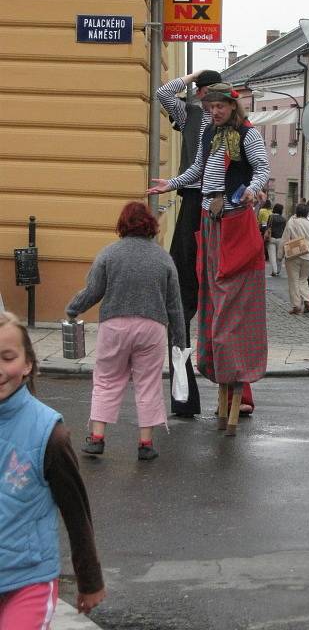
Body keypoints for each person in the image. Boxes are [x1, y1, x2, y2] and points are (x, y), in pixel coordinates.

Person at [146, 83, 270, 434]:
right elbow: (198, 171)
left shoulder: (249, 135)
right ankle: (220, 373)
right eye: (210, 106)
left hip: (232, 216)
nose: (214, 111)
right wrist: (170, 184)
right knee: (211, 293)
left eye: (219, 106)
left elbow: (262, 169)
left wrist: (251, 190)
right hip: (207, 215)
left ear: (233, 106)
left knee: (229, 293)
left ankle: (237, 380)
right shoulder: (207, 133)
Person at [0, 312, 105, 625]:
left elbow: (76, 511)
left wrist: (90, 580)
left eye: (7, 357)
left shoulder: (48, 433)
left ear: (28, 364)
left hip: (29, 580)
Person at [66, 202, 186, 460]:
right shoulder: (163, 258)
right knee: (148, 384)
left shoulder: (109, 254)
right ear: (150, 226)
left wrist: (73, 309)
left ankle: (97, 438)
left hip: (115, 325)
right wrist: (179, 339)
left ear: (122, 224)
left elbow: (93, 291)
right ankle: (145, 444)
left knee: (107, 379)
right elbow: (174, 304)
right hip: (152, 327)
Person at [157, 70, 221, 417]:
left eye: (206, 91)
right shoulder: (190, 114)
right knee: (180, 300)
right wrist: (192, 76)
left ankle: (236, 393)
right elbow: (164, 93)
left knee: (218, 301)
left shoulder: (233, 127)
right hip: (193, 201)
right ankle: (184, 399)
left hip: (217, 205)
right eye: (199, 91)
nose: (201, 96)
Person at [279, 203, 309, 314]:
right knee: (303, 280)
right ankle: (308, 300)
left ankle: (296, 305)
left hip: (293, 255)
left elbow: (284, 239)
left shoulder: (291, 223)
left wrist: (280, 255)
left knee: (293, 281)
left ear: (296, 212)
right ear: (307, 213)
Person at [267, 203, 286, 276]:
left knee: (272, 255)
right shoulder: (283, 219)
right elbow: (284, 229)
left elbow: (268, 227)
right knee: (279, 255)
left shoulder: (271, 217)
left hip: (271, 238)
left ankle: (274, 270)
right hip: (280, 238)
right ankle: (278, 270)